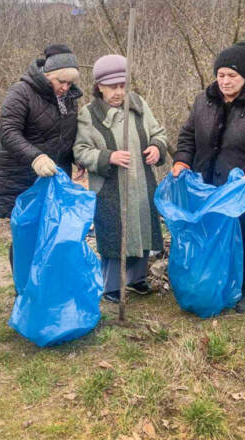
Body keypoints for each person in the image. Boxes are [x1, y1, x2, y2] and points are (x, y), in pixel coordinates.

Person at [171, 42, 245, 313]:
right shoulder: (204, 101)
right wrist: (181, 160)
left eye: (232, 76)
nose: (225, 81)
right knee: (214, 237)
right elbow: (188, 136)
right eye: (221, 75)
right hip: (209, 188)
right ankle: (219, 280)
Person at [73, 55, 169, 303]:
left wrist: (157, 147)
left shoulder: (138, 104)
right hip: (110, 187)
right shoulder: (89, 114)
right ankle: (112, 285)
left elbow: (158, 132)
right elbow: (81, 151)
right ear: (99, 87)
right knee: (115, 231)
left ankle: (137, 279)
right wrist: (108, 156)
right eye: (112, 87)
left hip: (141, 181)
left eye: (122, 86)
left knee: (143, 227)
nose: (118, 92)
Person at [0, 44, 83, 268]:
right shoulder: (21, 92)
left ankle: (44, 288)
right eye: (61, 81)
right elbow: (8, 132)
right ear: (47, 75)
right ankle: (23, 291)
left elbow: (64, 134)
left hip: (53, 175)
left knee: (51, 233)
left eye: (70, 83)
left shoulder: (69, 98)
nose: (65, 87)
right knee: (26, 236)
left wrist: (76, 157)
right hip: (20, 175)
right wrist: (36, 157)